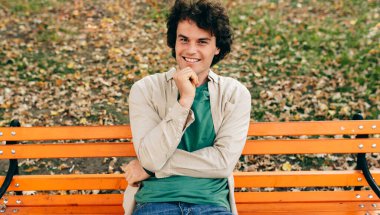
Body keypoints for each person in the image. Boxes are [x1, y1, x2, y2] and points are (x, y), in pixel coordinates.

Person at [123, 0, 251, 214]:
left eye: (202, 42)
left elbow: (222, 163)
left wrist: (150, 168)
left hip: (211, 204)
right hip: (155, 203)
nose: (191, 50)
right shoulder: (145, 89)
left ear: (217, 47)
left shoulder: (234, 94)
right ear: (174, 42)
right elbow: (150, 157)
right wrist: (184, 102)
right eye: (184, 39)